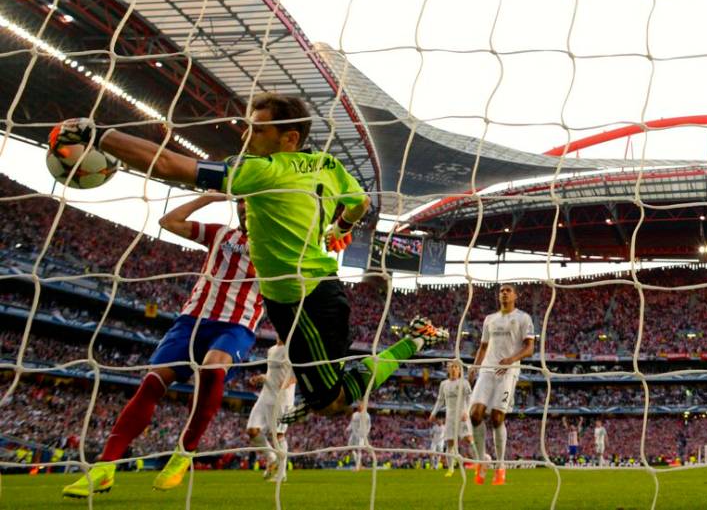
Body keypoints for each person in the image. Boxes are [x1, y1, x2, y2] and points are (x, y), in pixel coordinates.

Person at [49, 95, 448, 422]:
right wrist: (341, 227)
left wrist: (97, 134)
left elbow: (170, 163)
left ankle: (410, 343)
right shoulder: (327, 164)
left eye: (258, 129)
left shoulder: (264, 171)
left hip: (303, 299)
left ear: (289, 138)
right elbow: (359, 203)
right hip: (300, 296)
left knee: (334, 402)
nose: (247, 134)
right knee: (331, 400)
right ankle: (388, 355)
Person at [62, 195, 263, 497]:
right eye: (242, 201)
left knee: (212, 366)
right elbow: (168, 222)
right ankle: (104, 467)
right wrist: (212, 195)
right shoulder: (220, 233)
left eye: (253, 201)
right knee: (152, 383)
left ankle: (184, 453)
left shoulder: (280, 247)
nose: (245, 206)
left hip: (237, 325)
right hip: (190, 320)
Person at [468, 284, 535, 486]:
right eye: (501, 291)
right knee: (475, 414)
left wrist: (512, 359)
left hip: (509, 371)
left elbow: (530, 348)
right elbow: (483, 346)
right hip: (487, 369)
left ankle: (500, 466)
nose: (504, 293)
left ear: (515, 295)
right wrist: (474, 366)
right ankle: (482, 461)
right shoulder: (490, 319)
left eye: (508, 290)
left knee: (497, 418)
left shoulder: (524, 318)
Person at [246, 339, 296, 482]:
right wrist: (262, 378)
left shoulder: (292, 348)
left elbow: (298, 373)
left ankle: (282, 474)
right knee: (252, 430)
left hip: (282, 398)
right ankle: (271, 458)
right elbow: (271, 373)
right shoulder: (272, 350)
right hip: (265, 395)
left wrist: (287, 383)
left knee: (279, 434)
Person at [429, 361, 479, 477]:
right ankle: (450, 469)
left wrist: (467, 412)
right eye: (451, 367)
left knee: (469, 439)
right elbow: (440, 400)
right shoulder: (444, 384)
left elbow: (470, 399)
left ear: (460, 370)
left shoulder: (464, 383)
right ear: (448, 369)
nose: (453, 369)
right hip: (450, 417)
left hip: (462, 415)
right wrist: (433, 413)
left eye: (456, 367)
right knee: (450, 443)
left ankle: (478, 464)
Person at [346, 403, 371, 471]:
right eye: (358, 406)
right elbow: (352, 423)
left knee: (359, 450)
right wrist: (348, 429)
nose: (359, 407)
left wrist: (366, 434)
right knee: (350, 448)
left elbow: (369, 426)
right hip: (353, 434)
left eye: (360, 406)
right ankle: (359, 464)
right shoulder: (354, 414)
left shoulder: (367, 415)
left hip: (361, 436)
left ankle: (357, 467)